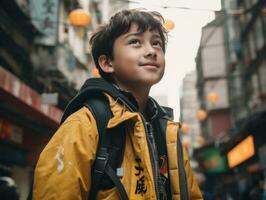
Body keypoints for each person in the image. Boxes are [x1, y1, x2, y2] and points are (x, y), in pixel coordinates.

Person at [33, 9, 203, 200]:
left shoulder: (167, 131)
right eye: (135, 42)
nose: (151, 51)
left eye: (156, 43)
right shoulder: (85, 123)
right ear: (107, 63)